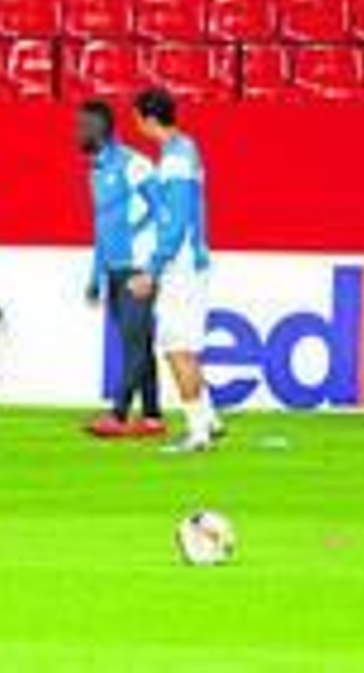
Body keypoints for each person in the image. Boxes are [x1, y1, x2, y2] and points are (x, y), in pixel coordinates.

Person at [131, 86, 224, 453]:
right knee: (182, 345)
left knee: (176, 347)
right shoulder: (185, 149)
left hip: (180, 264)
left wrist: (153, 267)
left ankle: (197, 433)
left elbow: (176, 222)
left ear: (148, 119)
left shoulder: (174, 159)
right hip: (188, 262)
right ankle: (209, 420)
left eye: (137, 117)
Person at [77, 99, 165, 439]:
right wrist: (94, 275)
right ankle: (153, 416)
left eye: (85, 125)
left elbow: (162, 209)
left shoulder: (135, 164)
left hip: (137, 268)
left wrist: (142, 244)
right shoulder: (96, 169)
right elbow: (102, 227)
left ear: (103, 128)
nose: (79, 131)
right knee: (138, 342)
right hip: (113, 269)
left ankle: (119, 412)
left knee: (133, 343)